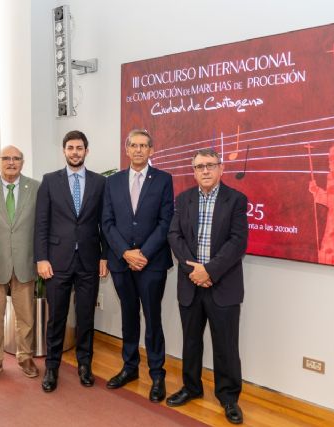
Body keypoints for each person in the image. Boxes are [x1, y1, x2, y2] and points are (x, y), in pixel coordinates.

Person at [166, 148, 248, 424]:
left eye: (210, 165)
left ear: (221, 168)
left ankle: (228, 398)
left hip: (222, 284)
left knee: (225, 345)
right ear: (193, 171)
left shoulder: (236, 200)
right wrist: (194, 271)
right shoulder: (184, 199)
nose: (205, 171)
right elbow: (174, 236)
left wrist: (209, 271)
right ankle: (191, 387)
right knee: (190, 341)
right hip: (191, 283)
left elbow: (237, 242)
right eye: (199, 166)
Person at [102, 128, 174, 403]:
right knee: (129, 317)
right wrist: (125, 253)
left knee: (153, 319)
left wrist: (142, 253)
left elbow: (166, 221)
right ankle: (129, 368)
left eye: (144, 146)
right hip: (122, 263)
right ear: (127, 149)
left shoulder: (164, 180)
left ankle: (157, 375)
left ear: (152, 150)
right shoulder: (113, 182)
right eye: (134, 145)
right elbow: (106, 222)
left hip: (152, 263)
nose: (139, 150)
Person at [34, 130, 108, 392]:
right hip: (57, 260)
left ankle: (84, 364)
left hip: (89, 259)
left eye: (79, 148)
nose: (75, 152)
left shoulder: (100, 183)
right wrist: (41, 258)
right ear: (64, 151)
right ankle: (51, 367)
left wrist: (104, 255)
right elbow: (41, 223)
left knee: (86, 316)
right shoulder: (50, 181)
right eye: (70, 148)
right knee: (57, 317)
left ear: (87, 151)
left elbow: (105, 223)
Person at [0, 146, 40, 383]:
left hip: (25, 262)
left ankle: (25, 357)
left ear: (22, 163)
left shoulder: (35, 188)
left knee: (26, 317)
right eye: (6, 158)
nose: (11, 162)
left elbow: (40, 224)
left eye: (16, 159)